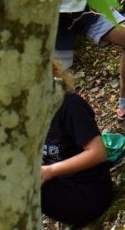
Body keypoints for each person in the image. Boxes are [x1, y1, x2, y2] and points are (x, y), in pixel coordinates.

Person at [41, 64, 114, 226]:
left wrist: (50, 171)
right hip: (62, 187)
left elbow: (98, 153)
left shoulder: (71, 106)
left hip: (90, 195)